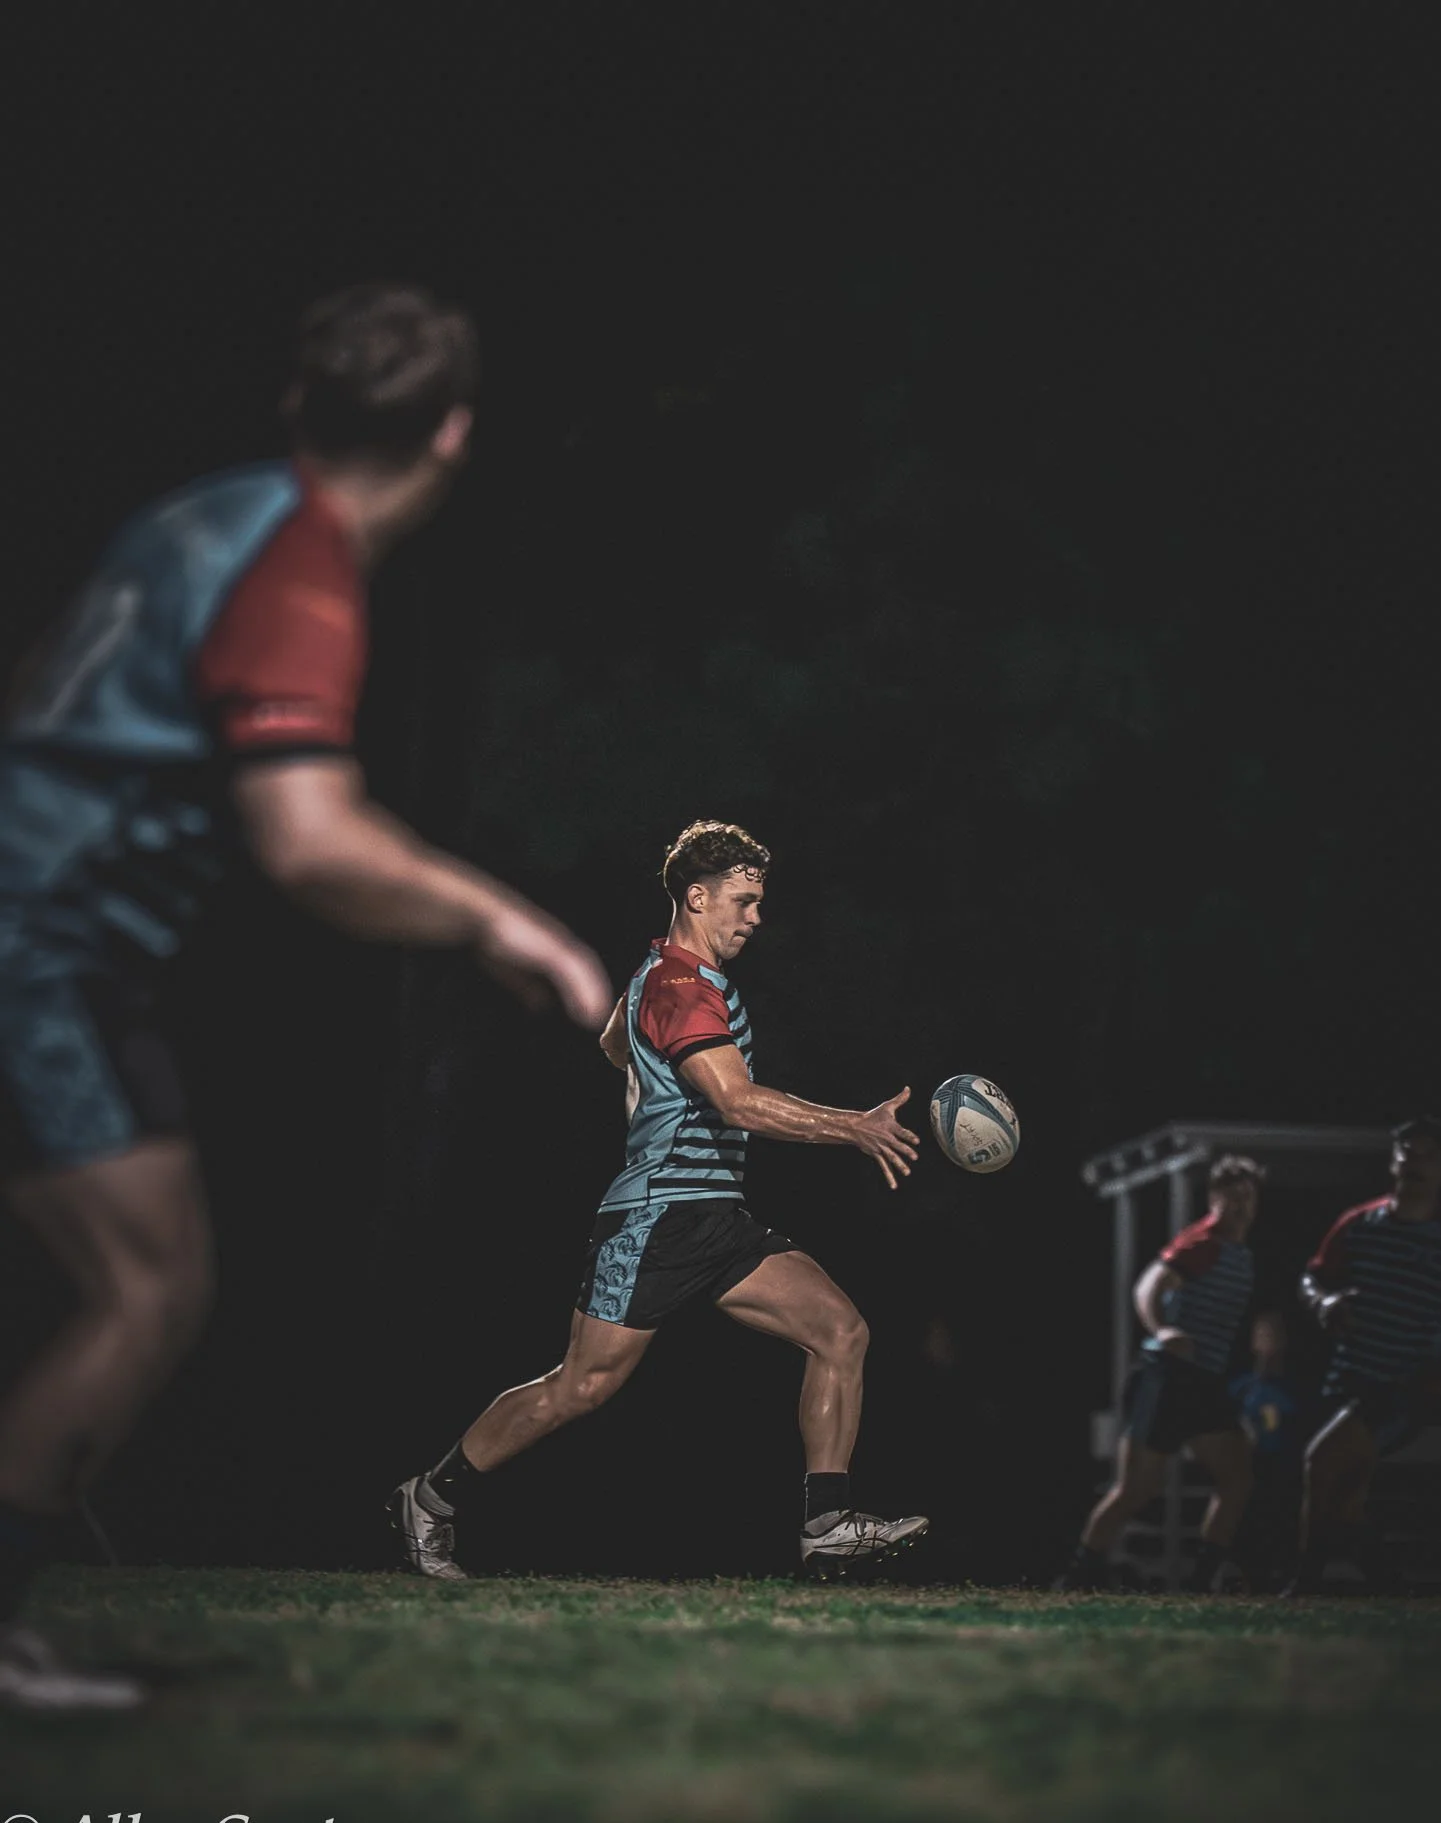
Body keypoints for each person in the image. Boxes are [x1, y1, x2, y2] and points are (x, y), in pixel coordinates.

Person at [0, 286, 612, 1710]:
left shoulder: (195, 519)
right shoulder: (302, 571)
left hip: (59, 937)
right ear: (453, 435)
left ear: (298, 407)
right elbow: (309, 841)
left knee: (145, 1278)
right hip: (41, 944)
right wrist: (501, 921)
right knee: (146, 1283)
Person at [389, 819, 929, 1581]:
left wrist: (647, 1076)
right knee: (581, 1386)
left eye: (758, 902)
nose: (754, 917)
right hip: (658, 1220)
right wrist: (855, 1126)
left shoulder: (663, 979)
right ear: (696, 896)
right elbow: (737, 1104)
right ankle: (430, 1498)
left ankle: (826, 1524)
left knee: (839, 1331)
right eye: (742, 901)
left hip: (713, 1215)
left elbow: (615, 1042)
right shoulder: (680, 988)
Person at [1057, 1155, 1283, 1592]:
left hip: (1205, 1382)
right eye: (1230, 1197)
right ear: (1213, 1198)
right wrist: (1163, 1329)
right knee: (1135, 1491)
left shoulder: (1242, 1254)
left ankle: (1201, 1581)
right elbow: (1147, 1286)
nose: (1239, 1206)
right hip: (1168, 1378)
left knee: (1237, 1479)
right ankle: (1076, 1577)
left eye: (1247, 1197)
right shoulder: (1202, 1242)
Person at [1286, 1116, 1441, 1597]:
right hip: (1352, 1376)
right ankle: (1392, 1588)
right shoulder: (1359, 1224)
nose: (1412, 1164)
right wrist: (1323, 1302)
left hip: (1405, 1387)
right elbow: (1311, 1278)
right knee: (1347, 1500)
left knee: (1321, 1462)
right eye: (1405, 1153)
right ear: (1391, 1161)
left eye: (1426, 1155)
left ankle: (1306, 1585)